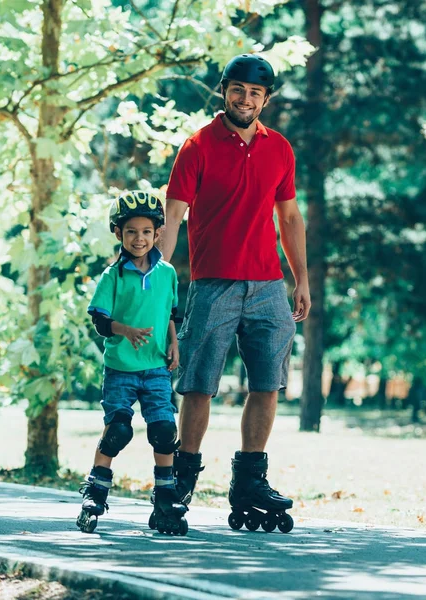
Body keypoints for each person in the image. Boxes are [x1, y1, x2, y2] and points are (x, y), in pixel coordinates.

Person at [159, 54, 311, 534]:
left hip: (268, 285)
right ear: (224, 90)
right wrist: (157, 283)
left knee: (268, 383)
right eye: (238, 89)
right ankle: (180, 480)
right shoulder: (197, 146)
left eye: (255, 93)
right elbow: (174, 216)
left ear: (266, 98)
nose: (245, 99)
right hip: (213, 284)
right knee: (199, 384)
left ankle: (249, 479)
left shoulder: (279, 149)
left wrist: (300, 277)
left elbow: (288, 218)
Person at [76, 190, 188, 536]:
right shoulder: (113, 276)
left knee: (164, 431)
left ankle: (165, 496)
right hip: (121, 367)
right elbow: (99, 320)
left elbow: (170, 313)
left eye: (145, 232)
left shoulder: (167, 273)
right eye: (130, 232)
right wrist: (124, 330)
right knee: (118, 431)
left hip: (155, 367)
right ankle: (95, 492)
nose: (138, 239)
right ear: (118, 234)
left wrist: (174, 344)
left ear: (158, 234)